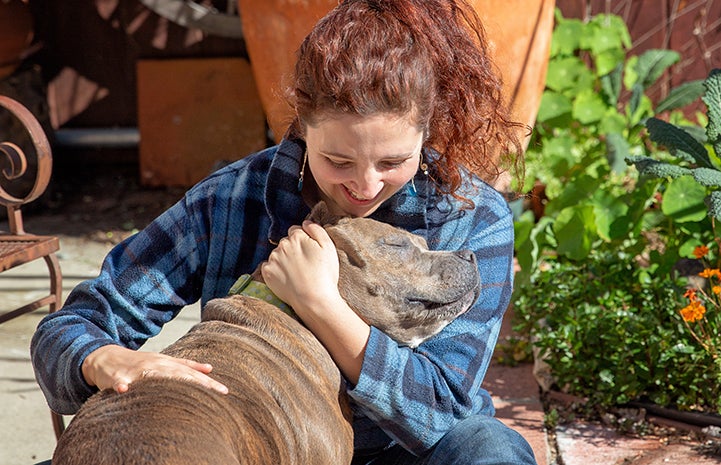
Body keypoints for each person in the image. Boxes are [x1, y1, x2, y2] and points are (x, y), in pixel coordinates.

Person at [31, 0, 536, 463]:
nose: (365, 185)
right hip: (261, 445)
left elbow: (443, 411)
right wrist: (99, 359)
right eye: (337, 160)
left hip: (401, 453)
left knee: (491, 447)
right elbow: (70, 326)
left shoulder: (472, 217)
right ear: (300, 124)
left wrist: (322, 306)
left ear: (427, 129)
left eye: (392, 160)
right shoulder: (232, 197)